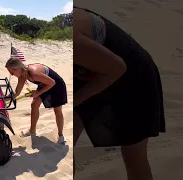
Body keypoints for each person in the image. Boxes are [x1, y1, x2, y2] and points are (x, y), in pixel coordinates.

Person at [73, 6, 165, 180]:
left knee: (133, 155)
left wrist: (74, 101)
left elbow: (117, 68)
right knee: (68, 144)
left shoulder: (69, 34)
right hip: (91, 74)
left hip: (132, 79)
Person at [5, 57, 68, 144]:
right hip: (45, 85)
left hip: (56, 86)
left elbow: (52, 83)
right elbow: (16, 93)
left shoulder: (34, 73)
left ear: (18, 68)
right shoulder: (22, 75)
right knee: (34, 105)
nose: (11, 74)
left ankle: (61, 136)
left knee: (57, 110)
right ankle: (32, 131)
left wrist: (37, 93)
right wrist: (3, 99)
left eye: (12, 72)